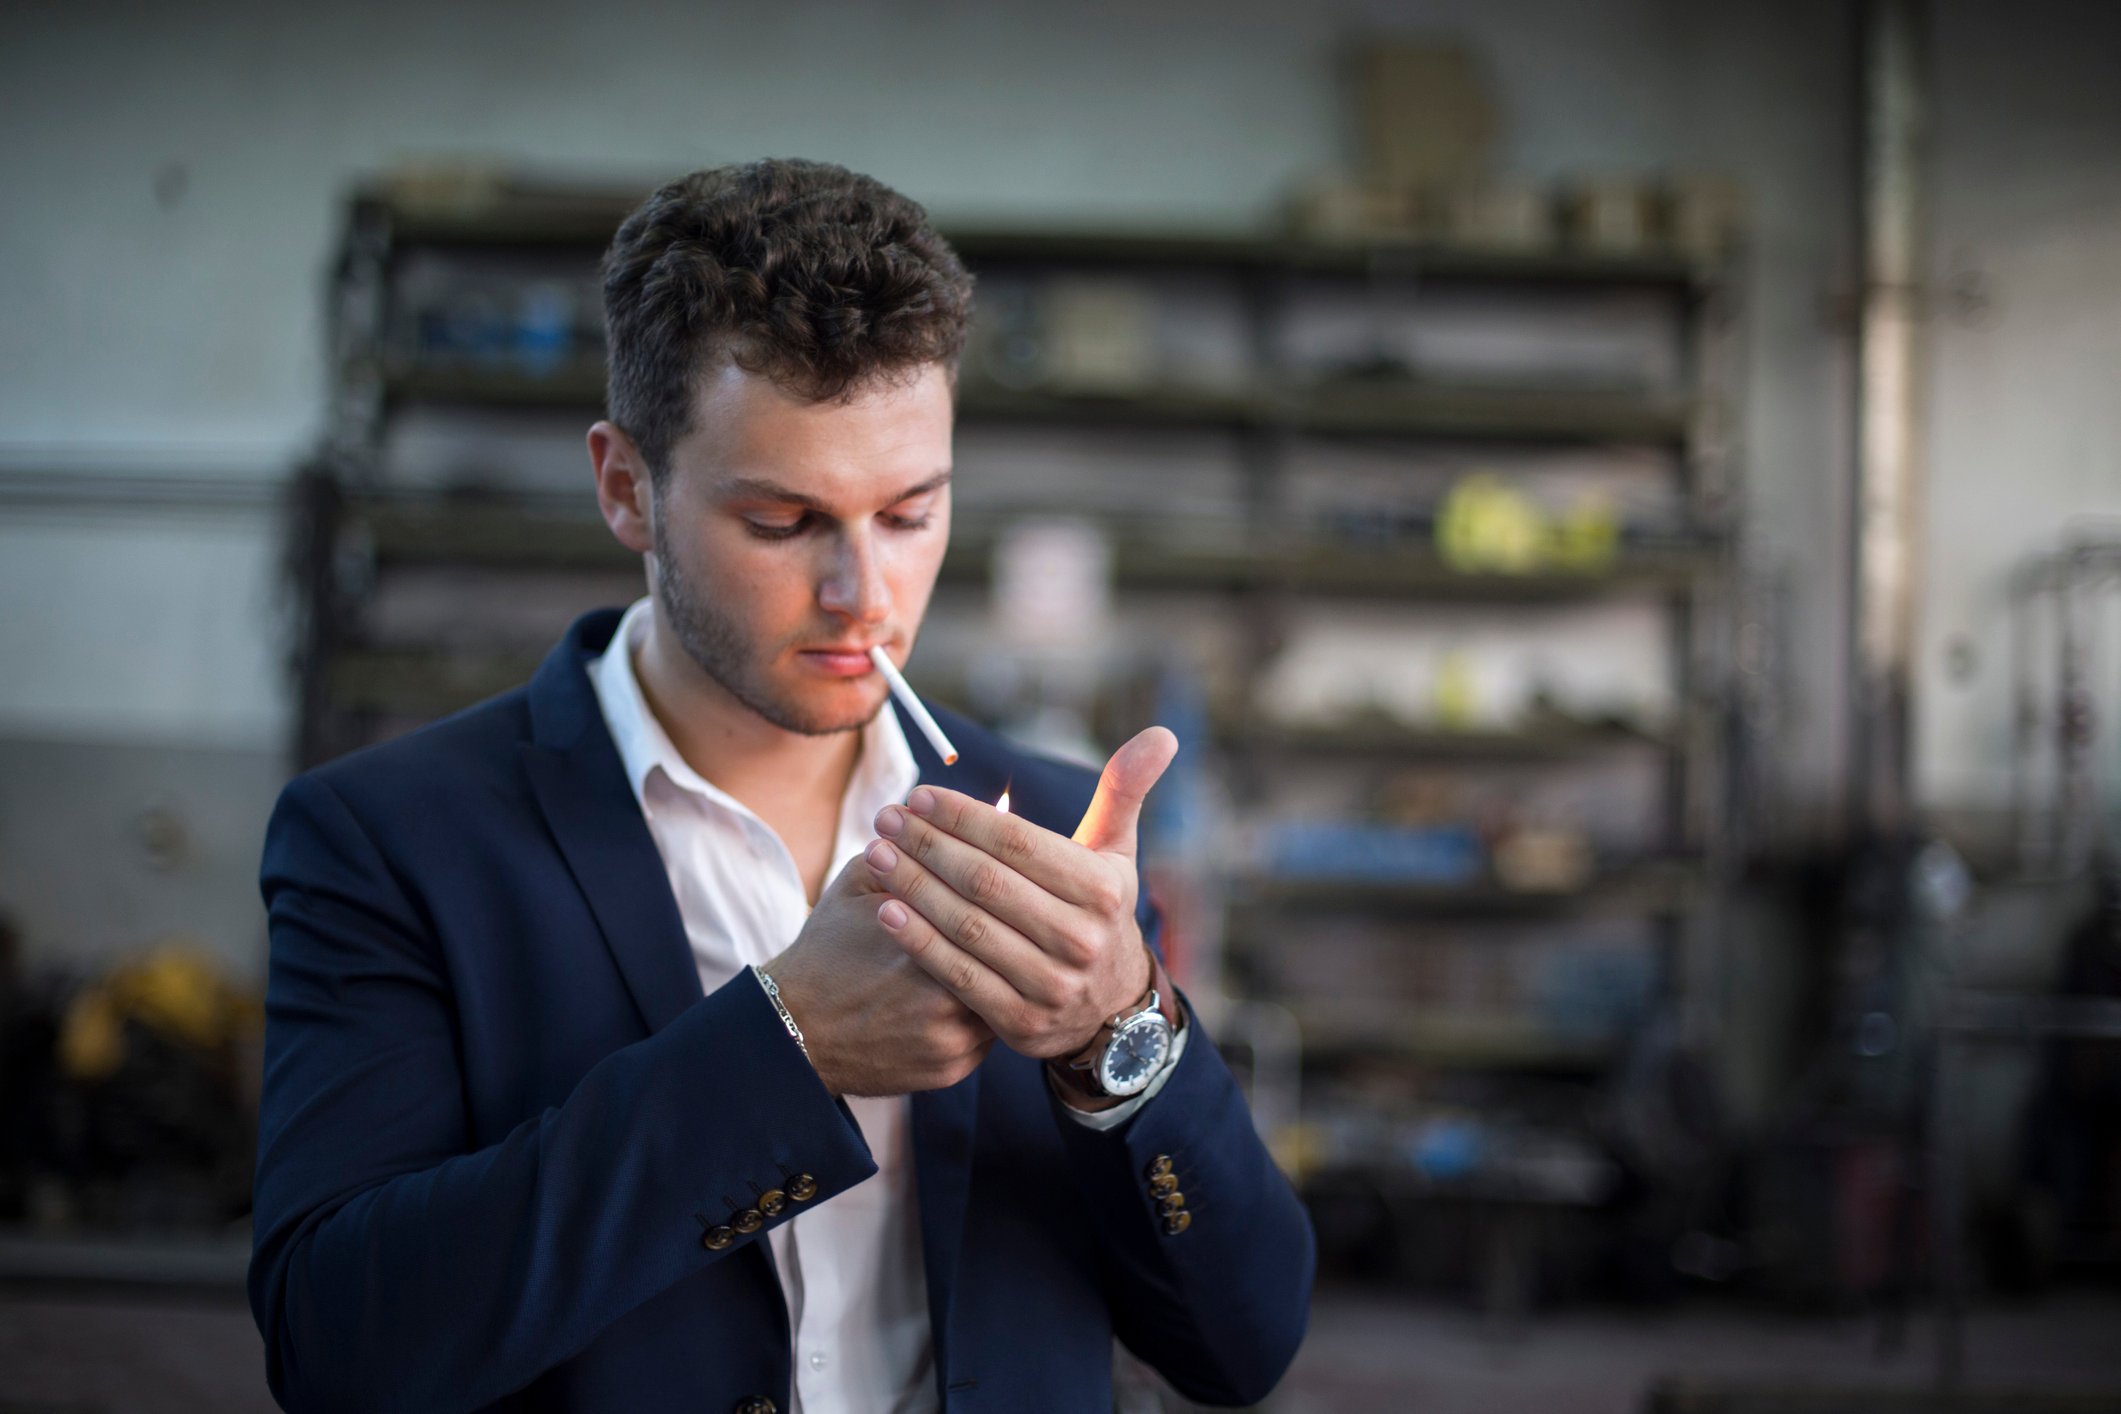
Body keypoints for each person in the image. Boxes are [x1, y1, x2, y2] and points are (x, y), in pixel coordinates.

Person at [248, 158, 1314, 1414]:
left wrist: (1120, 1035)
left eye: (910, 514)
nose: (865, 595)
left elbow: (1243, 1346)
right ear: (626, 488)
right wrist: (784, 1049)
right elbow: (339, 1349)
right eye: (782, 521)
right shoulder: (392, 839)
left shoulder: (1051, 836)